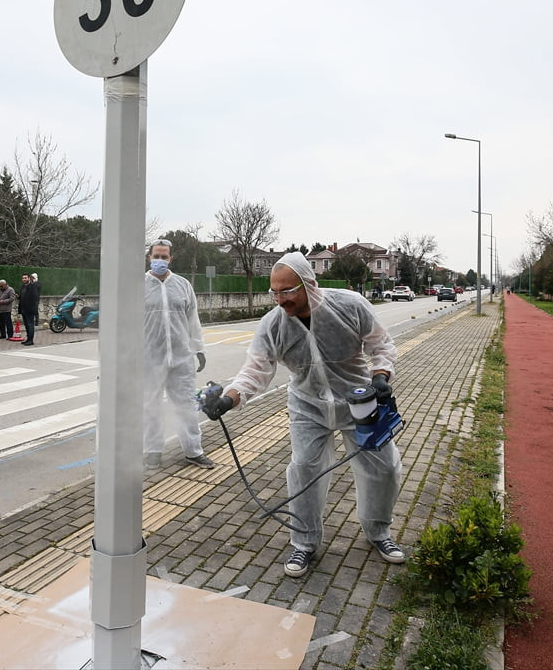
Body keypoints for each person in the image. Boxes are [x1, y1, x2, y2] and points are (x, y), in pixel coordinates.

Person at [202, 251, 403, 578]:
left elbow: (381, 346)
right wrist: (229, 399)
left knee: (384, 468)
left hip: (358, 402)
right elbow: (255, 371)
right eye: (275, 292)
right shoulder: (273, 324)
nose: (280, 299)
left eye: (288, 291)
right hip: (307, 405)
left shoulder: (350, 306)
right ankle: (305, 541)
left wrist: (380, 375)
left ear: (310, 283)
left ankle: (379, 532)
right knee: (304, 470)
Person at [142, 239, 213, 469]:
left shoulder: (183, 285)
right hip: (150, 358)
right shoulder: (138, 286)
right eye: (156, 256)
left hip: (182, 358)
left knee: (186, 404)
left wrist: (199, 349)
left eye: (164, 257)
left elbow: (193, 320)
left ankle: (194, 450)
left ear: (171, 259)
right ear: (148, 257)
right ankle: (153, 450)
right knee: (150, 404)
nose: (160, 261)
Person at [18, 273, 39, 346]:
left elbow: (35, 298)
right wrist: (18, 297)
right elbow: (22, 296)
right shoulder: (23, 287)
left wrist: (32, 307)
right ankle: (28, 339)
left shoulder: (32, 287)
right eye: (23, 278)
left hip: (30, 309)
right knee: (26, 325)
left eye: (25, 278)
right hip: (23, 309)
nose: (24, 279)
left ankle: (31, 340)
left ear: (29, 278)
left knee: (30, 324)